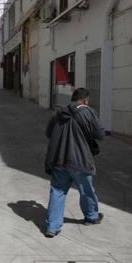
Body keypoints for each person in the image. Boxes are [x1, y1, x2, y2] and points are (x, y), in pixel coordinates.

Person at [43, 88, 105, 238]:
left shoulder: (58, 112)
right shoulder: (87, 111)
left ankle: (52, 227)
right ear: (85, 100)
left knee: (57, 192)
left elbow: (48, 133)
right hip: (80, 160)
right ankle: (91, 217)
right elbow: (100, 134)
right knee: (86, 190)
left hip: (59, 160)